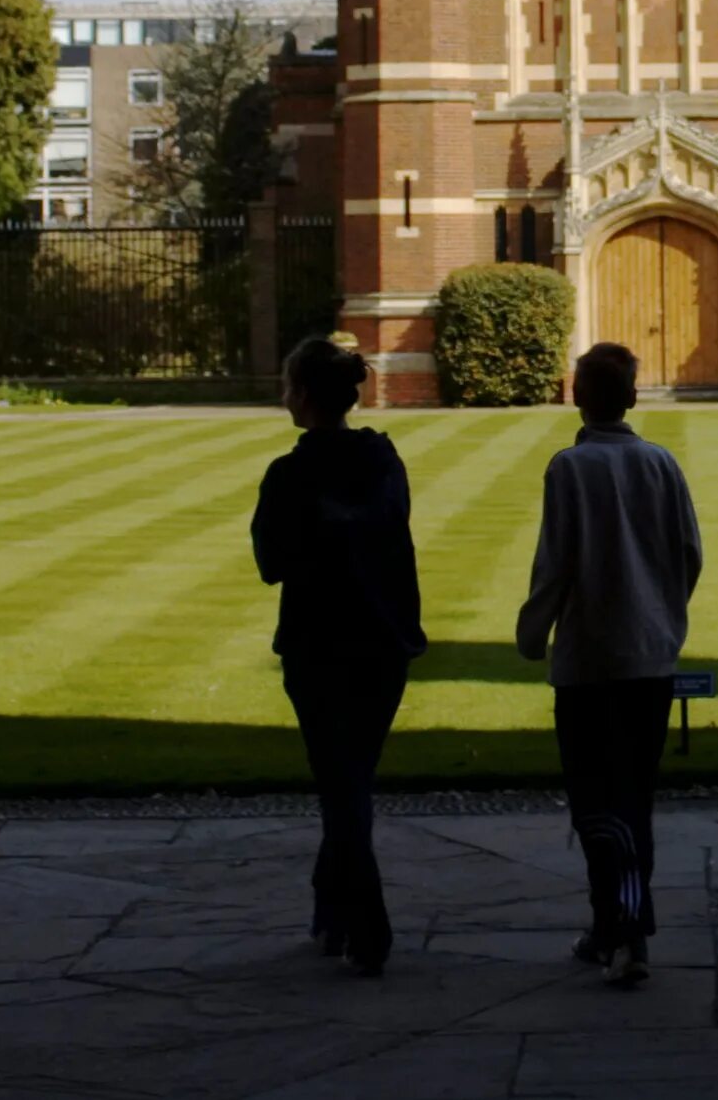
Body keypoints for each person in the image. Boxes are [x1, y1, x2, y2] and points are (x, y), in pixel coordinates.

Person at [515, 341, 703, 987]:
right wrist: (664, 616)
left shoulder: (569, 468)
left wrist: (532, 632)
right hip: (651, 660)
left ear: (575, 393)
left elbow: (555, 562)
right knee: (631, 801)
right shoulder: (662, 462)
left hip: (591, 663)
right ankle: (610, 925)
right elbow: (690, 553)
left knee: (596, 804)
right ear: (632, 395)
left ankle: (628, 931)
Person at [251, 337, 425, 976]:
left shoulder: (289, 474)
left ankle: (366, 922)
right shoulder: (384, 460)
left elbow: (272, 564)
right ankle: (331, 906)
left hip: (319, 642)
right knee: (351, 778)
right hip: (382, 639)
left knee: (340, 782)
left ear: (301, 396)